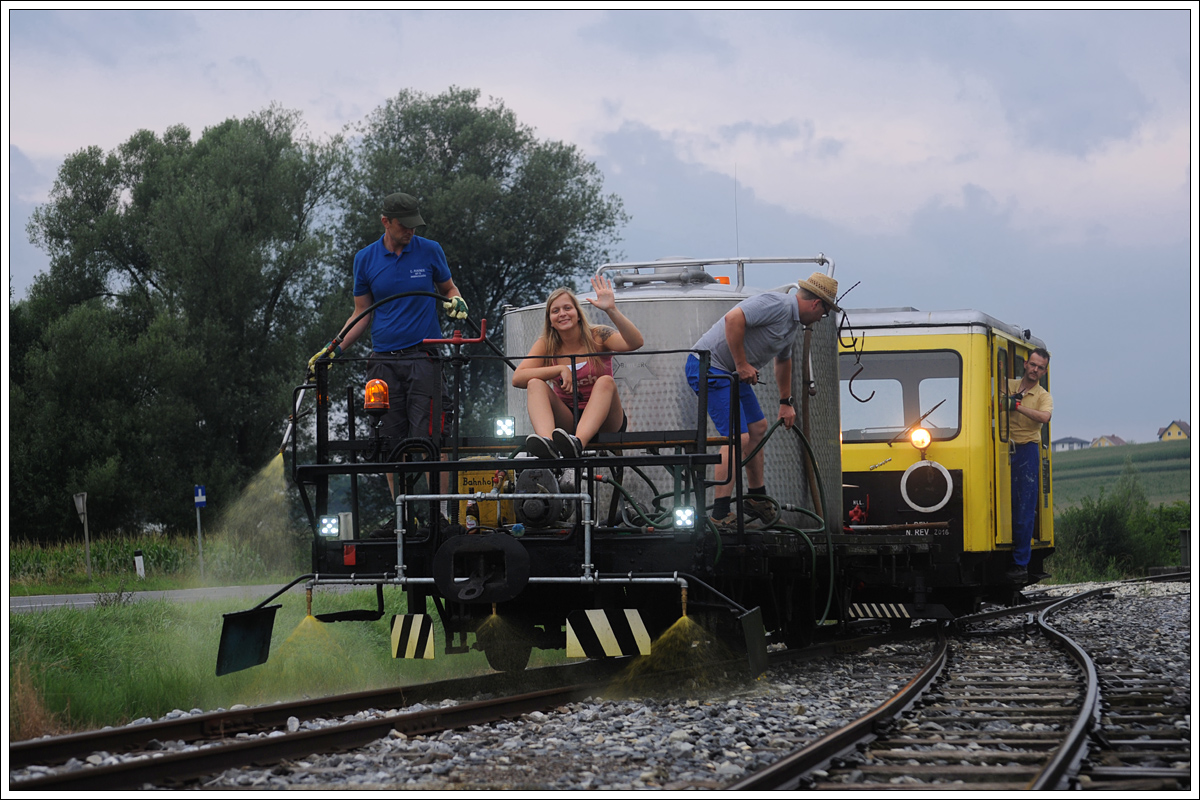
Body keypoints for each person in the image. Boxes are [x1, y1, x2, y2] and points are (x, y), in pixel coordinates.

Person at [313, 191, 468, 498]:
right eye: (404, 225)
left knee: (432, 438)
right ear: (386, 222)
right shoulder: (365, 259)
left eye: (414, 225)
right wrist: (334, 349)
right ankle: (402, 514)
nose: (411, 230)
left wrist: (456, 301)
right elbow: (361, 312)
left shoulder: (430, 250)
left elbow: (449, 288)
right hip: (383, 362)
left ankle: (439, 513)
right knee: (389, 441)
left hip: (424, 357)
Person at [686, 272, 839, 527]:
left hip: (732, 373)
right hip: (709, 367)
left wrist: (785, 402)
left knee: (757, 428)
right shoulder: (777, 304)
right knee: (738, 437)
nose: (820, 319)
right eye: (824, 313)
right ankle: (719, 514)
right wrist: (742, 364)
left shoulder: (791, 324)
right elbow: (733, 318)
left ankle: (757, 498)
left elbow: (783, 360)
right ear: (816, 304)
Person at [512, 274, 644, 458]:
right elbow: (517, 378)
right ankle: (547, 444)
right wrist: (559, 369)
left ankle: (577, 443)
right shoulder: (546, 344)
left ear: (578, 314)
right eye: (555, 311)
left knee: (605, 381)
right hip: (568, 418)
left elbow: (635, 342)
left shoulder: (598, 335)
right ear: (550, 321)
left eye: (567, 308)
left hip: (606, 420)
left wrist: (611, 309)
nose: (562, 314)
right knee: (534, 383)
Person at [1006, 347, 1053, 582]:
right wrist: (1003, 402)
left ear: (1044, 372)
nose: (1035, 369)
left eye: (1040, 367)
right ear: (1025, 364)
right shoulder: (1008, 385)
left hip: (1027, 450)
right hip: (1001, 447)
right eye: (1032, 364)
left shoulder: (1044, 396)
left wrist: (1017, 407)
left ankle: (1020, 564)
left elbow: (1045, 417)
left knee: (1024, 508)